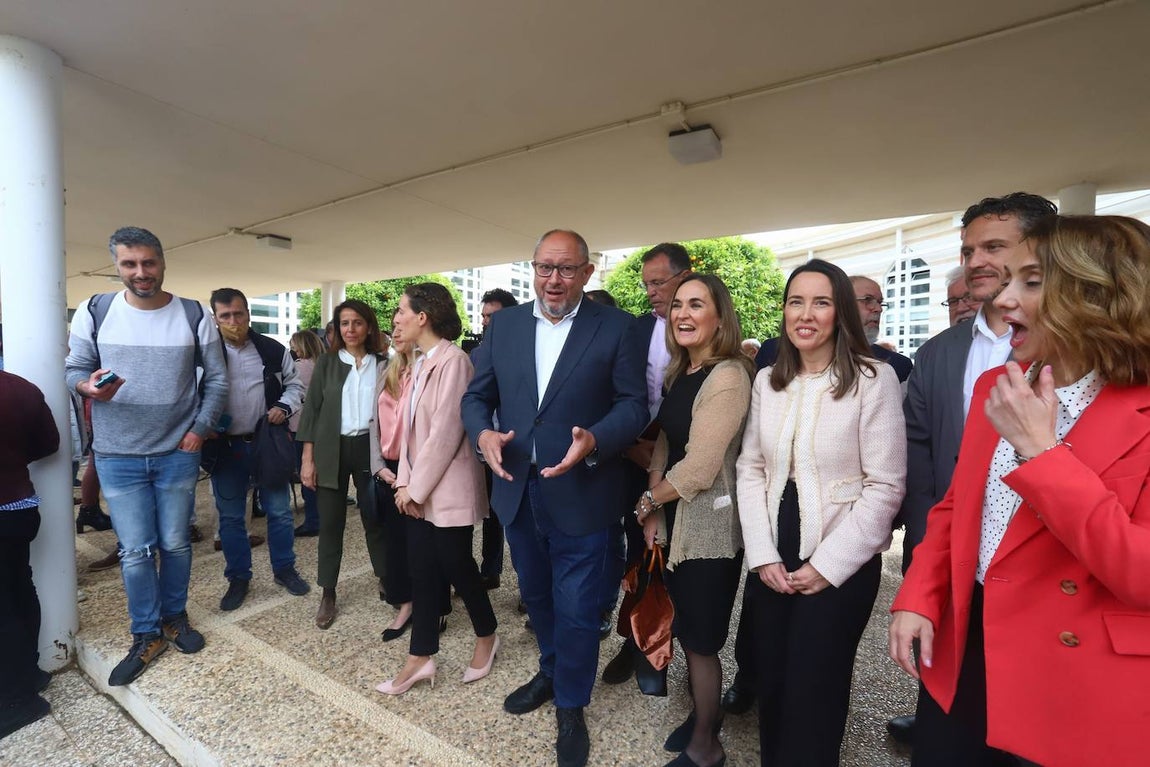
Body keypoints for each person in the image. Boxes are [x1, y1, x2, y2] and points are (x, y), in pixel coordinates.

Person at [890, 215, 1150, 767]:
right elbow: (958, 506)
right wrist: (919, 595)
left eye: (1030, 282)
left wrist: (1043, 453)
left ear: (1099, 293)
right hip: (970, 640)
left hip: (1076, 674)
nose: (1003, 299)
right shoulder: (1001, 384)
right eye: (1008, 281)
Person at [462, 229, 648, 767]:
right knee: (538, 597)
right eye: (545, 267)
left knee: (578, 607)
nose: (554, 279)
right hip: (518, 489)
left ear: (587, 272)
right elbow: (476, 397)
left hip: (585, 490)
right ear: (533, 268)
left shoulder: (617, 327)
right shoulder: (507, 325)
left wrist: (597, 438)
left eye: (567, 269)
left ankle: (571, 703)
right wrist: (483, 432)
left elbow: (633, 405)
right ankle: (551, 669)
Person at [887, 192, 1057, 745]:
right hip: (952, 553)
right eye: (968, 251)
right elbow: (919, 452)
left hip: (1042, 573)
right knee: (949, 702)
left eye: (994, 247)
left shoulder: (1073, 353)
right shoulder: (939, 351)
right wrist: (925, 542)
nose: (975, 261)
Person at [736, 258, 905, 766]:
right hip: (774, 545)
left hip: (840, 551)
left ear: (841, 312)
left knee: (815, 687)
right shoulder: (768, 380)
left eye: (821, 302)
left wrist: (828, 565)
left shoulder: (874, 379)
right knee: (772, 677)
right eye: (796, 302)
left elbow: (886, 485)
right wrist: (762, 553)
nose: (805, 314)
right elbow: (751, 467)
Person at [66, 226, 227, 686]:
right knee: (135, 551)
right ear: (117, 265)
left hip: (178, 450)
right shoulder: (95, 311)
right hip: (118, 456)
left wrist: (199, 429)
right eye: (130, 264)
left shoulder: (193, 314)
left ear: (162, 262)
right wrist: (86, 386)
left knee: (175, 543)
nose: (140, 272)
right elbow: (73, 369)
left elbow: (217, 379)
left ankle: (174, 618)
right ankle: (145, 633)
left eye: (148, 262)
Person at [635, 275, 753, 767]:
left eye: (697, 305)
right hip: (676, 519)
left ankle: (707, 744)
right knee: (687, 628)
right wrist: (655, 506)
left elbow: (701, 467)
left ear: (719, 319)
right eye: (678, 305)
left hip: (709, 530)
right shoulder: (682, 371)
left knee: (703, 643)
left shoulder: (729, 376)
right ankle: (704, 716)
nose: (683, 314)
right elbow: (666, 443)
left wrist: (647, 501)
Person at [376, 283, 498, 694]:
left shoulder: (454, 361)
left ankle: (487, 634)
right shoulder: (420, 362)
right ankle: (420, 656)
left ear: (423, 316)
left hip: (446, 488)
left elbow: (445, 432)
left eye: (401, 311)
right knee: (423, 569)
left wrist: (414, 489)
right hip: (419, 487)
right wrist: (404, 483)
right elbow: (409, 434)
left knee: (457, 565)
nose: (396, 319)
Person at [603, 242, 691, 687]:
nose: (651, 292)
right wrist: (628, 447)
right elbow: (612, 394)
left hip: (689, 468)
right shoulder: (634, 330)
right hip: (635, 457)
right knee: (639, 553)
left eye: (659, 282)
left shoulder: (706, 328)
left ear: (685, 276)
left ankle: (682, 651)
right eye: (646, 285)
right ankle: (636, 642)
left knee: (681, 561)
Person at [207, 288, 309, 612]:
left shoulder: (271, 350)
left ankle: (285, 569)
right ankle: (238, 577)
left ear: (248, 313)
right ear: (215, 319)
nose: (233, 321)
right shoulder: (205, 354)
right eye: (225, 316)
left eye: (238, 313)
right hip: (226, 447)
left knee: (279, 512)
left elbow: (295, 385)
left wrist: (284, 406)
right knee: (231, 518)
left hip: (268, 443)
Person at [296, 299, 389, 630]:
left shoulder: (383, 363)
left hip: (369, 448)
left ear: (369, 326)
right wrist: (307, 460)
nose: (351, 329)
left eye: (357, 322)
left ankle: (386, 577)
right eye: (344, 323)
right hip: (331, 448)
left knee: (375, 517)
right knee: (331, 523)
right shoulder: (326, 363)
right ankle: (328, 592)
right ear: (337, 329)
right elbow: (312, 411)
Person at [0, 371, 59, 740]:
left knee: (5, 604)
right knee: (20, 587)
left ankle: (15, 700)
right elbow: (49, 443)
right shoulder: (20, 388)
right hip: (19, 508)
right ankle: (29, 673)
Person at [477, 288, 519, 590]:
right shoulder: (478, 354)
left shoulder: (525, 350)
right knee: (491, 514)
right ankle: (490, 570)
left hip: (517, 447)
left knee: (520, 519)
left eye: (491, 316)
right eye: (483, 316)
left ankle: (527, 586)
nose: (485, 322)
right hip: (486, 448)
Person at [288, 330, 325, 537]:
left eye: (294, 345)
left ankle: (313, 520)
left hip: (300, 427)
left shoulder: (299, 367)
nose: (292, 349)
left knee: (307, 475)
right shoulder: (324, 364)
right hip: (322, 426)